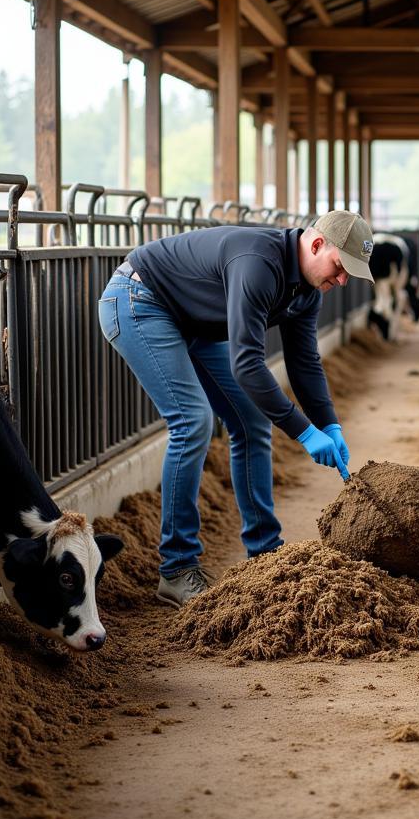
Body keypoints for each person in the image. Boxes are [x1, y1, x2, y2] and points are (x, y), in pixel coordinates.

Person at [97, 209, 374, 607]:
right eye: (340, 266)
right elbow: (246, 363)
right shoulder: (259, 263)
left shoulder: (308, 291)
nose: (343, 279)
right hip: (141, 300)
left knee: (251, 421)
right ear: (316, 244)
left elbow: (304, 363)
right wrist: (303, 431)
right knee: (192, 422)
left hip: (194, 321)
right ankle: (176, 569)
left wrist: (329, 425)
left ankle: (265, 555)